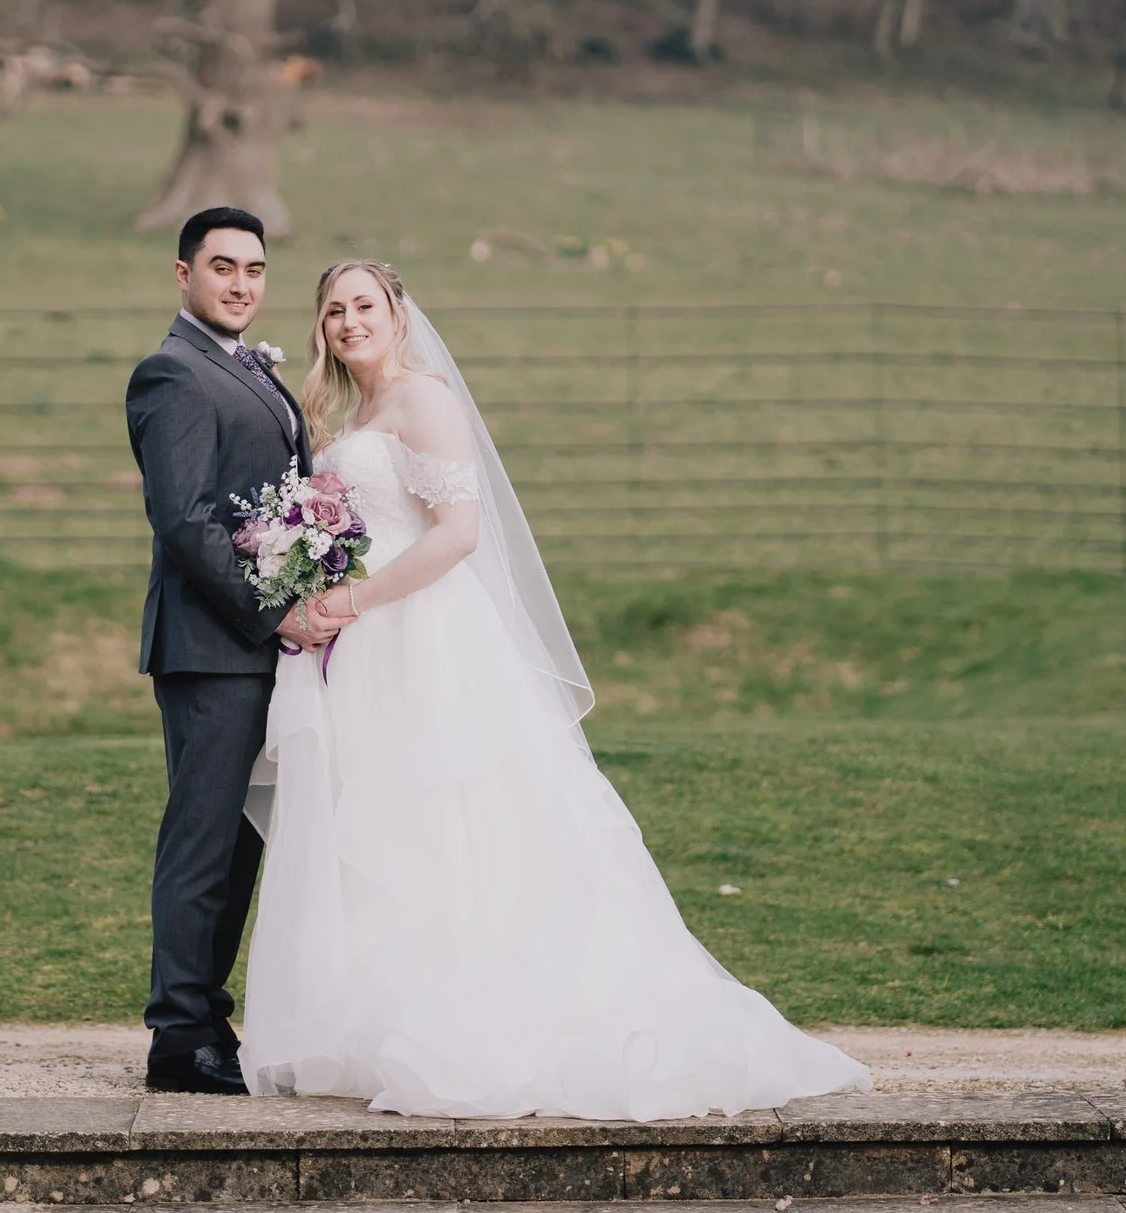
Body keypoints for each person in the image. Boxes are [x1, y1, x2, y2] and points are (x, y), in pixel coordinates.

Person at [236, 259, 871, 1120]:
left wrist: (348, 597)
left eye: (365, 306)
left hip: (423, 636)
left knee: (457, 814)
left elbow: (457, 535)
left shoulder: (423, 400)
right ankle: (391, 1019)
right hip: (368, 649)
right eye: (335, 310)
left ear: (397, 314)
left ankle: (478, 1018)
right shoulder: (356, 412)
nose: (349, 322)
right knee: (388, 823)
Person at [124, 207, 354, 1094]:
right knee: (202, 840)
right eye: (222, 267)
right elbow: (183, 522)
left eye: (254, 269)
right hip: (211, 649)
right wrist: (278, 613)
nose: (242, 283)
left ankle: (208, 1017)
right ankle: (178, 1035)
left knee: (240, 846)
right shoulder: (171, 374)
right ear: (183, 275)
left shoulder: (247, 368)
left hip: (259, 649)